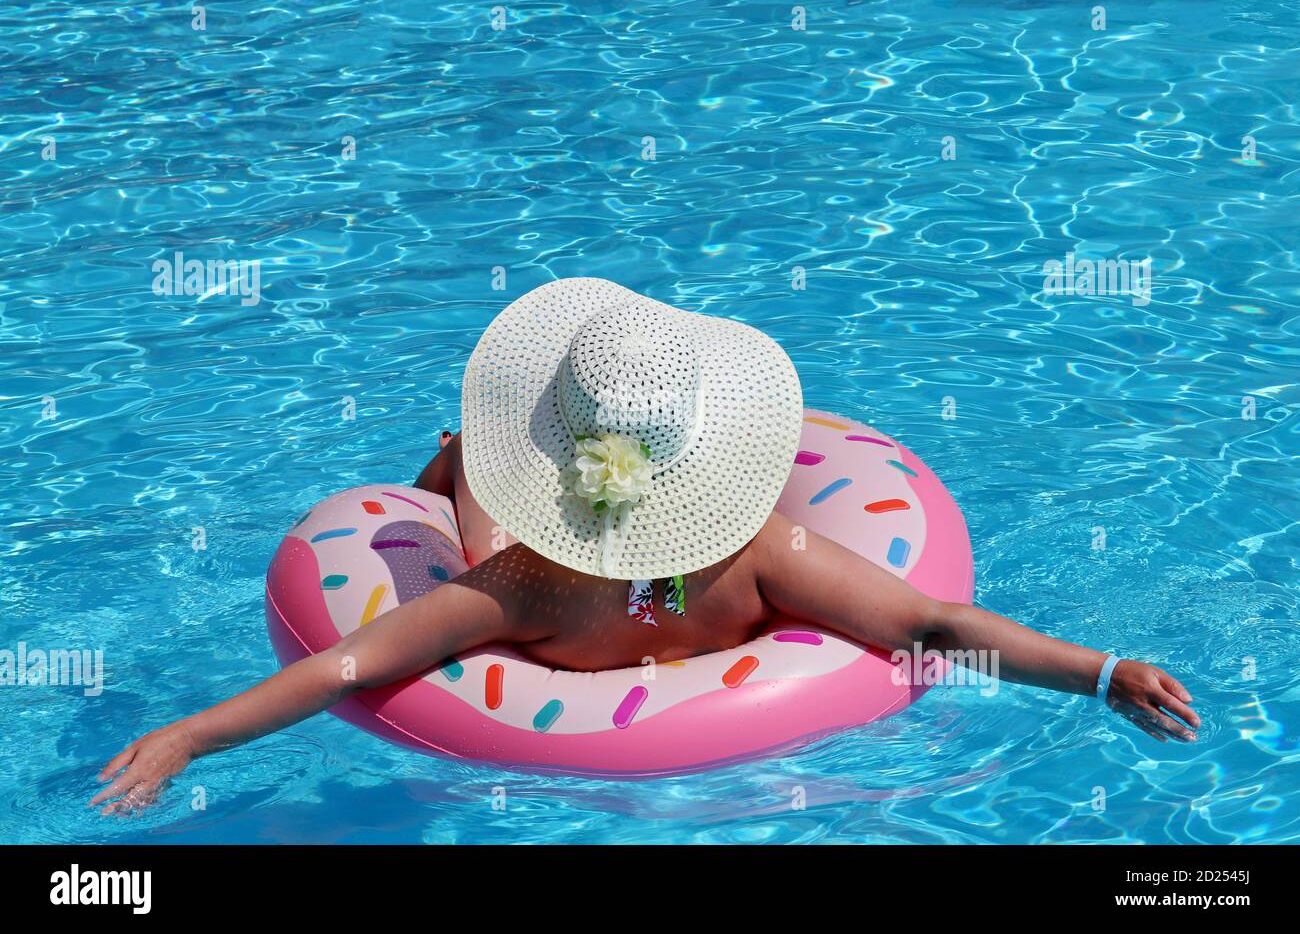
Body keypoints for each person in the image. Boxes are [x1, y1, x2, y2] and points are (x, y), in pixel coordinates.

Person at [92, 278, 1199, 815]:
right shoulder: (763, 551)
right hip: (765, 788)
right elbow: (934, 625)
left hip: (535, 737)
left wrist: (189, 736)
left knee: (461, 475)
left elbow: (349, 663)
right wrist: (1098, 671)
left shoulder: (519, 584)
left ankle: (445, 468)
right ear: (709, 452)